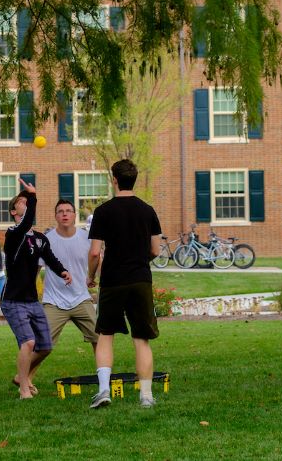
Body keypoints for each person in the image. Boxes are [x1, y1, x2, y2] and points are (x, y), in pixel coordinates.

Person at [87, 159, 162, 409]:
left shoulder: (103, 211)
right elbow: (155, 249)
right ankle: (146, 396)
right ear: (134, 179)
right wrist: (139, 260)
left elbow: (95, 252)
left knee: (105, 335)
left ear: (115, 180)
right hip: (140, 279)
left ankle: (104, 390)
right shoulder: (148, 210)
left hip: (112, 281)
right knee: (141, 338)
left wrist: (90, 276)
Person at [1, 178, 72, 399]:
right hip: (13, 300)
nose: (26, 203)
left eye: (27, 201)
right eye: (21, 202)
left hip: (32, 300)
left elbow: (49, 258)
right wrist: (32, 196)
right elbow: (25, 224)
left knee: (45, 346)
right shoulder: (13, 234)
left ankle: (20, 376)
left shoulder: (40, 239)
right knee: (29, 342)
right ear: (14, 212)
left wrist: (62, 271)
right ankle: (24, 388)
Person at [40, 199, 99, 353]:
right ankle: (26, 370)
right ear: (55, 216)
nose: (64, 214)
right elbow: (35, 269)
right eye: (60, 211)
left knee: (99, 340)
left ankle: (104, 370)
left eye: (68, 211)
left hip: (81, 299)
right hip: (53, 301)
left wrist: (93, 277)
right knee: (42, 346)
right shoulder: (46, 240)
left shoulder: (86, 238)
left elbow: (97, 259)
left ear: (74, 215)